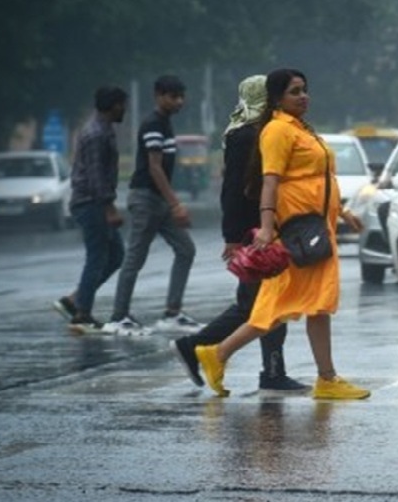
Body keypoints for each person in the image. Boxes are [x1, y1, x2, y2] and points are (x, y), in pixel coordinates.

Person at [194, 68, 371, 400]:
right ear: (276, 98)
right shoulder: (276, 130)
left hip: (317, 229)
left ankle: (327, 379)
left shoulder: (301, 129)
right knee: (275, 308)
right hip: (295, 234)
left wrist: (343, 212)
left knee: (316, 305)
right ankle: (216, 354)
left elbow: (319, 179)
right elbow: (270, 182)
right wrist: (265, 226)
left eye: (305, 90)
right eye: (294, 91)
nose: (303, 96)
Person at [169, 75, 309, 394]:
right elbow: (232, 190)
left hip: (268, 226)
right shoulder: (245, 135)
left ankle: (273, 371)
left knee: (269, 302)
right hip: (254, 230)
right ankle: (195, 347)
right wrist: (233, 237)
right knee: (255, 306)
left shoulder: (267, 129)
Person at [105, 75, 199, 336]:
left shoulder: (165, 124)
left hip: (158, 200)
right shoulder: (153, 124)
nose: (178, 101)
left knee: (186, 249)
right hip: (146, 198)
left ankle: (172, 312)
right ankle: (118, 316)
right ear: (158, 96)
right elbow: (154, 168)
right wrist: (176, 204)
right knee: (135, 258)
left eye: (181, 96)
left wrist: (170, 203)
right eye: (173, 96)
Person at [55, 86, 128, 333]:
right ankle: (82, 314)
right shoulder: (96, 133)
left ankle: (76, 300)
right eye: (122, 104)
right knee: (97, 257)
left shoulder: (103, 129)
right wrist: (109, 208)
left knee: (115, 255)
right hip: (91, 203)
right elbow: (96, 176)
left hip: (93, 202)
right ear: (113, 105)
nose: (125, 109)